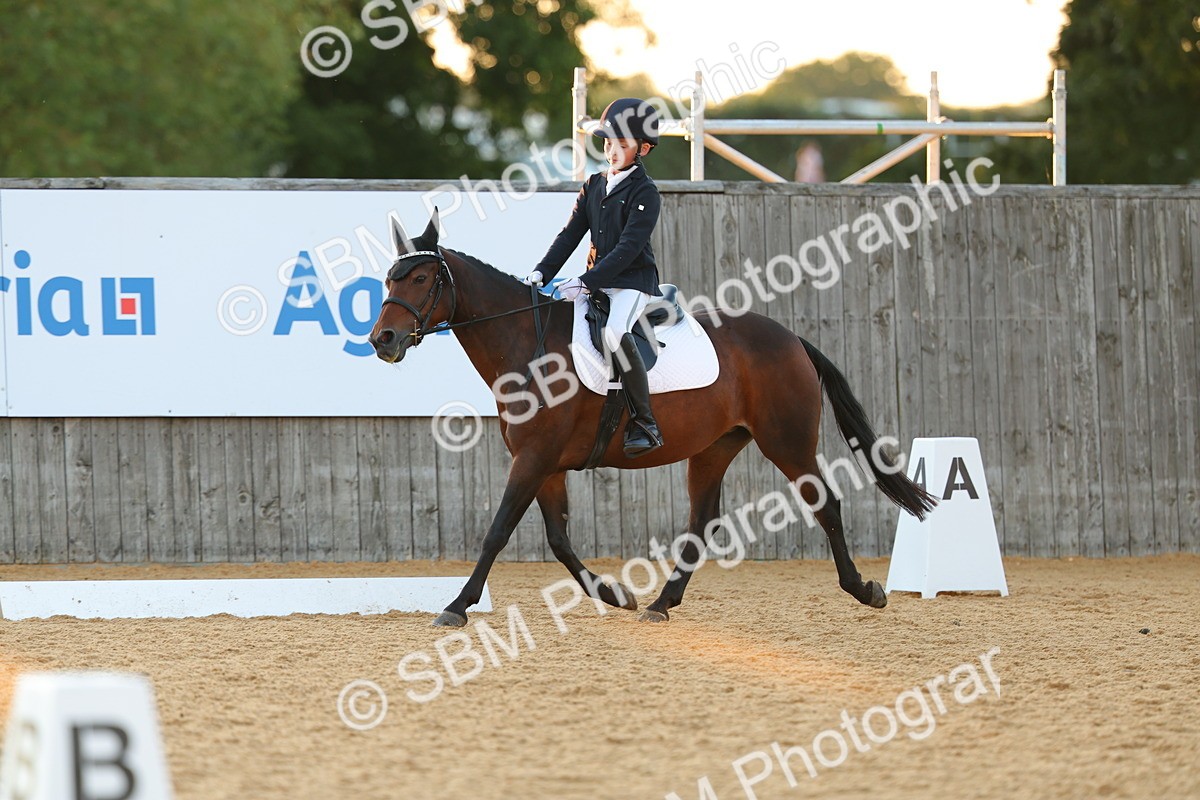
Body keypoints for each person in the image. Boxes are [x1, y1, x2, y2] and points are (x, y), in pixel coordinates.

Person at [525, 97, 664, 458]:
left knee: (615, 332)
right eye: (607, 142)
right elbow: (570, 235)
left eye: (622, 144)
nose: (612, 150)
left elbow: (629, 249)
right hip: (597, 281)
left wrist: (585, 283)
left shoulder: (645, 192)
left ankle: (645, 422)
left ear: (643, 148)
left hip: (633, 283)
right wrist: (542, 272)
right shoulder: (593, 184)